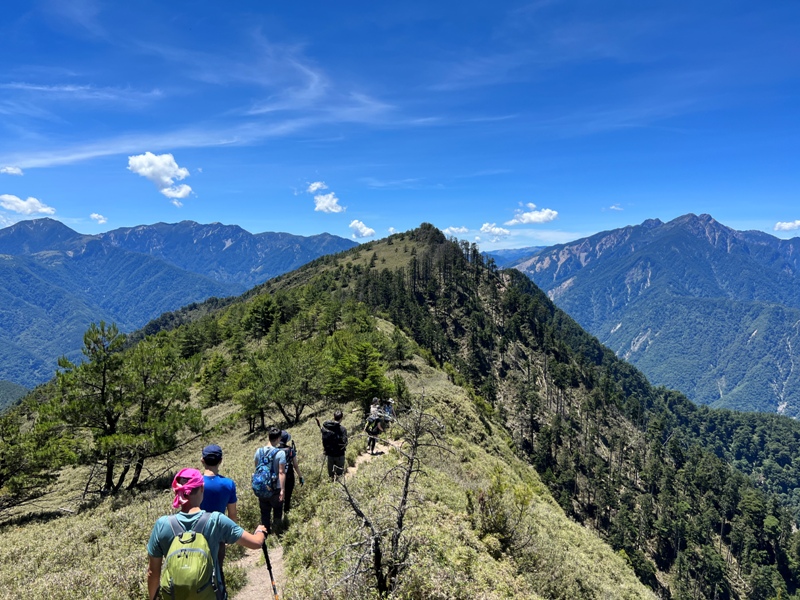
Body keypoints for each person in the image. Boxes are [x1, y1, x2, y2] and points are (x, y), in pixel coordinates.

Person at [146, 468, 268, 600]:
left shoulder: (162, 524)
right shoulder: (216, 520)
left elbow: (153, 573)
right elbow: (256, 543)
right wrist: (260, 531)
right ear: (202, 488)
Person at [199, 444, 237, 584]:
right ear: (221, 460)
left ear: (202, 460)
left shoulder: (195, 483)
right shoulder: (228, 484)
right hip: (218, 534)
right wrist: (229, 535)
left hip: (195, 535)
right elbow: (232, 514)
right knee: (218, 570)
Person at [254, 428, 286, 534]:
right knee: (277, 509)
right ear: (278, 438)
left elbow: (257, 469)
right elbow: (281, 472)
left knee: (264, 512)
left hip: (262, 487)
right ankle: (277, 532)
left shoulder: (259, 451)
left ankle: (265, 534)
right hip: (275, 487)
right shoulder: (280, 453)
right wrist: (282, 489)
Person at [278, 430, 304, 517]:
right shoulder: (290, 450)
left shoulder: (275, 450)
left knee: (279, 497)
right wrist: (300, 477)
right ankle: (286, 513)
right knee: (287, 497)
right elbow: (295, 466)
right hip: (289, 476)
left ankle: (278, 516)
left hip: (278, 476)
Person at [317, 409, 348, 480]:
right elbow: (345, 443)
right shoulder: (342, 429)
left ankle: (331, 486)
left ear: (334, 417)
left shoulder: (327, 426)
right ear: (341, 418)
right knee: (339, 474)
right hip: (339, 455)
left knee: (330, 475)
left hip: (329, 454)